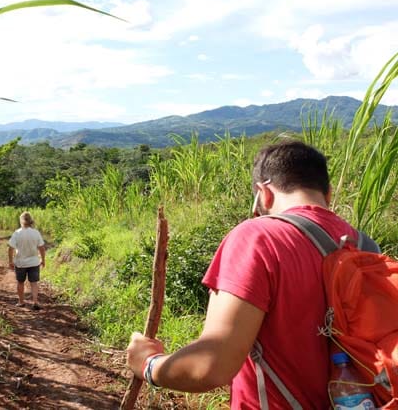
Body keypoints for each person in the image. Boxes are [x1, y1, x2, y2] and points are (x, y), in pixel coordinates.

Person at [126, 140, 378, 408]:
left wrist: (149, 364)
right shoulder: (365, 247)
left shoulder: (257, 238)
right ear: (328, 194)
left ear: (263, 193)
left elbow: (212, 365)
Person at [8, 211, 46, 310]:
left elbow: (10, 248)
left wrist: (10, 261)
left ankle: (21, 302)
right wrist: (43, 259)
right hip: (34, 262)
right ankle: (35, 302)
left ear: (21, 221)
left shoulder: (17, 233)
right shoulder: (36, 232)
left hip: (20, 263)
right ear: (30, 221)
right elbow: (41, 247)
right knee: (34, 283)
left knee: (20, 282)